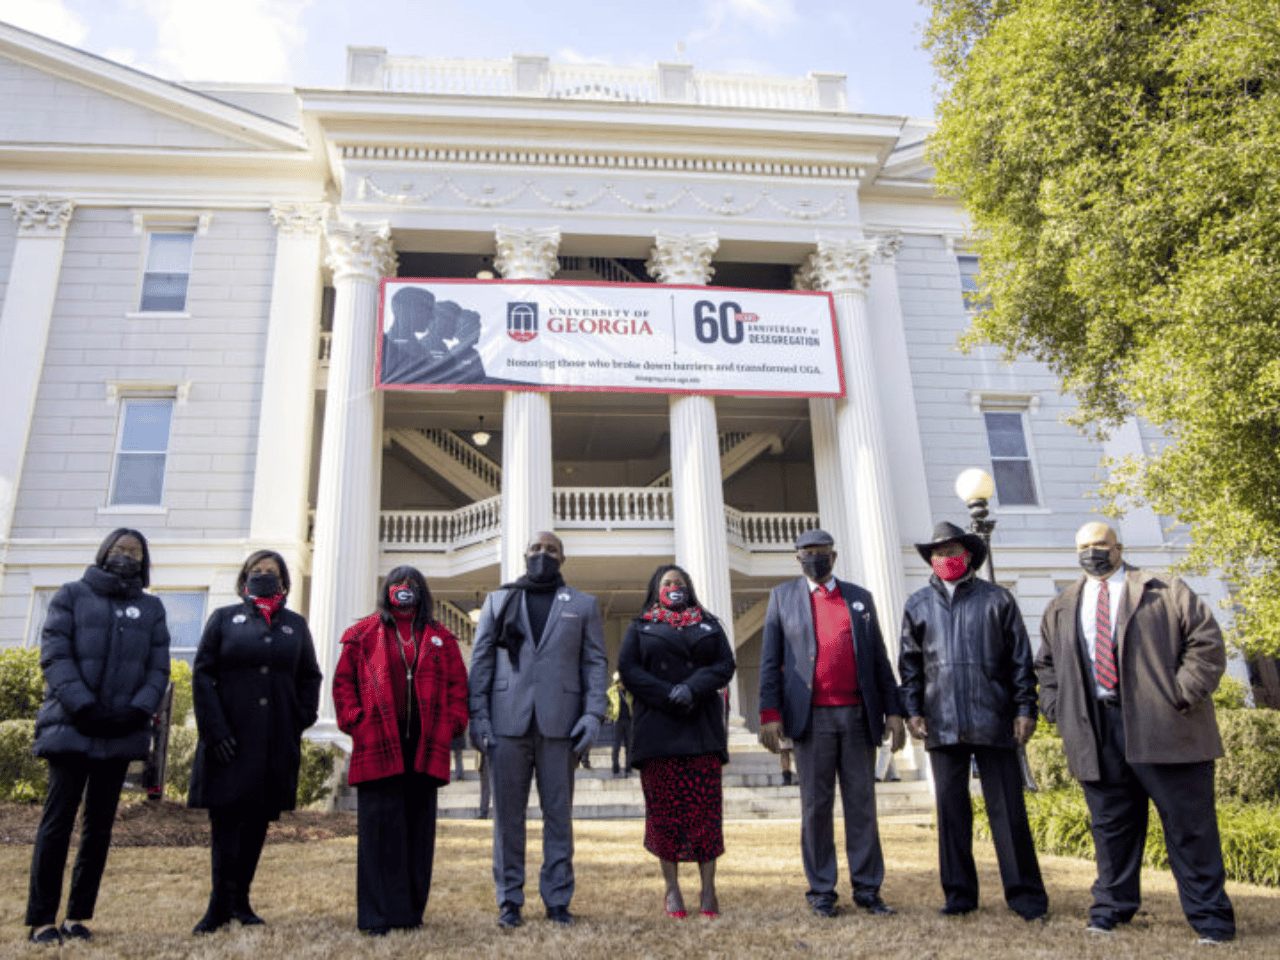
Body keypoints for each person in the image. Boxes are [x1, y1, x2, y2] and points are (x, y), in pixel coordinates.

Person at [1036, 521, 1235, 944]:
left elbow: (1207, 643)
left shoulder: (1165, 590)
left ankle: (1210, 918)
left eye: (1101, 544)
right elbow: (1047, 665)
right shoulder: (1062, 604)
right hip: (1097, 728)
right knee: (1111, 827)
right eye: (1085, 545)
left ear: (1119, 547)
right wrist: (1056, 708)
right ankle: (1111, 907)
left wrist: (1179, 695)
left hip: (1164, 724)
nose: (1093, 551)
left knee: (1188, 827)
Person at [25, 529, 171, 946]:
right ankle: (41, 919)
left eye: (135, 552)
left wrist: (137, 709)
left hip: (121, 732)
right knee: (57, 824)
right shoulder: (71, 595)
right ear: (104, 552)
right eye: (120, 549)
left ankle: (76, 915)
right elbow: (55, 653)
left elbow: (158, 667)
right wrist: (83, 706)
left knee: (99, 828)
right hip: (72, 726)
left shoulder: (151, 608)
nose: (126, 557)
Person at [898, 521, 1047, 920]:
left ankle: (1026, 896)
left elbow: (1020, 662)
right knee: (951, 814)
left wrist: (1024, 708)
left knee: (1008, 812)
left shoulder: (998, 599)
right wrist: (912, 710)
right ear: (930, 558)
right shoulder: (917, 604)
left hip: (993, 719)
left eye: (953, 551)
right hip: (941, 722)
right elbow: (910, 667)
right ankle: (959, 895)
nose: (947, 558)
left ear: (968, 555)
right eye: (939, 551)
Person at [758, 528, 906, 918]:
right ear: (797, 558)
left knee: (862, 805)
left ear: (834, 557)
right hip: (810, 719)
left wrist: (894, 711)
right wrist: (770, 715)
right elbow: (770, 662)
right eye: (807, 553)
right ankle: (822, 890)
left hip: (858, 715)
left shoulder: (860, 598)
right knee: (815, 806)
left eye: (821, 552)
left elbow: (880, 661)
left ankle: (868, 889)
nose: (814, 558)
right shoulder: (782, 598)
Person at [468, 531, 608, 928]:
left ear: (562, 558)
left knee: (558, 816)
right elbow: (480, 664)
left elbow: (595, 663)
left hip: (561, 725)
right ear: (524, 555)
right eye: (536, 549)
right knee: (507, 818)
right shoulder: (500, 600)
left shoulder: (582, 604)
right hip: (505, 722)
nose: (542, 555)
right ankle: (509, 900)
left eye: (551, 550)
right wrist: (477, 716)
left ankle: (558, 898)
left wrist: (593, 714)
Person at [188, 550, 322, 934]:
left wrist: (299, 718)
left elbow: (310, 676)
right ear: (245, 576)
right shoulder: (224, 619)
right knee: (227, 823)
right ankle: (218, 906)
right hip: (228, 740)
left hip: (274, 742)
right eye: (258, 571)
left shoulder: (295, 625)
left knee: (257, 823)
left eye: (272, 572)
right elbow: (203, 675)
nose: (265, 576)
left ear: (284, 582)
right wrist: (214, 731)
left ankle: (241, 902)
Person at [332, 566, 469, 935]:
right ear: (387, 590)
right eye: (397, 585)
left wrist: (454, 722)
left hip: (425, 748)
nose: (404, 591)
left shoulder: (442, 638)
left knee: (417, 836)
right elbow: (343, 684)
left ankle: (408, 915)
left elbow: (459, 686)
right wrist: (355, 720)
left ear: (422, 592)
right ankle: (376, 917)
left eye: (411, 586)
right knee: (377, 837)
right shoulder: (362, 634)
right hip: (377, 744)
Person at [618, 565, 735, 919]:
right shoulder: (640, 627)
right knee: (664, 815)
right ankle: (672, 889)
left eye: (680, 583)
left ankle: (709, 890)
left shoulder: (710, 624)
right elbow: (629, 669)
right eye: (667, 583)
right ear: (656, 589)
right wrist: (668, 692)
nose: (674, 588)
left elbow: (724, 664)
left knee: (706, 815)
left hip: (701, 730)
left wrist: (692, 687)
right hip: (659, 731)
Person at [607, 672, 633, 777]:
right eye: (620, 681)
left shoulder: (629, 692)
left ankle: (628, 768)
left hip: (628, 720)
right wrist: (608, 715)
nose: (622, 684)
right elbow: (607, 704)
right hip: (617, 721)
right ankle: (615, 768)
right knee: (616, 746)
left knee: (629, 745)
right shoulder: (611, 692)